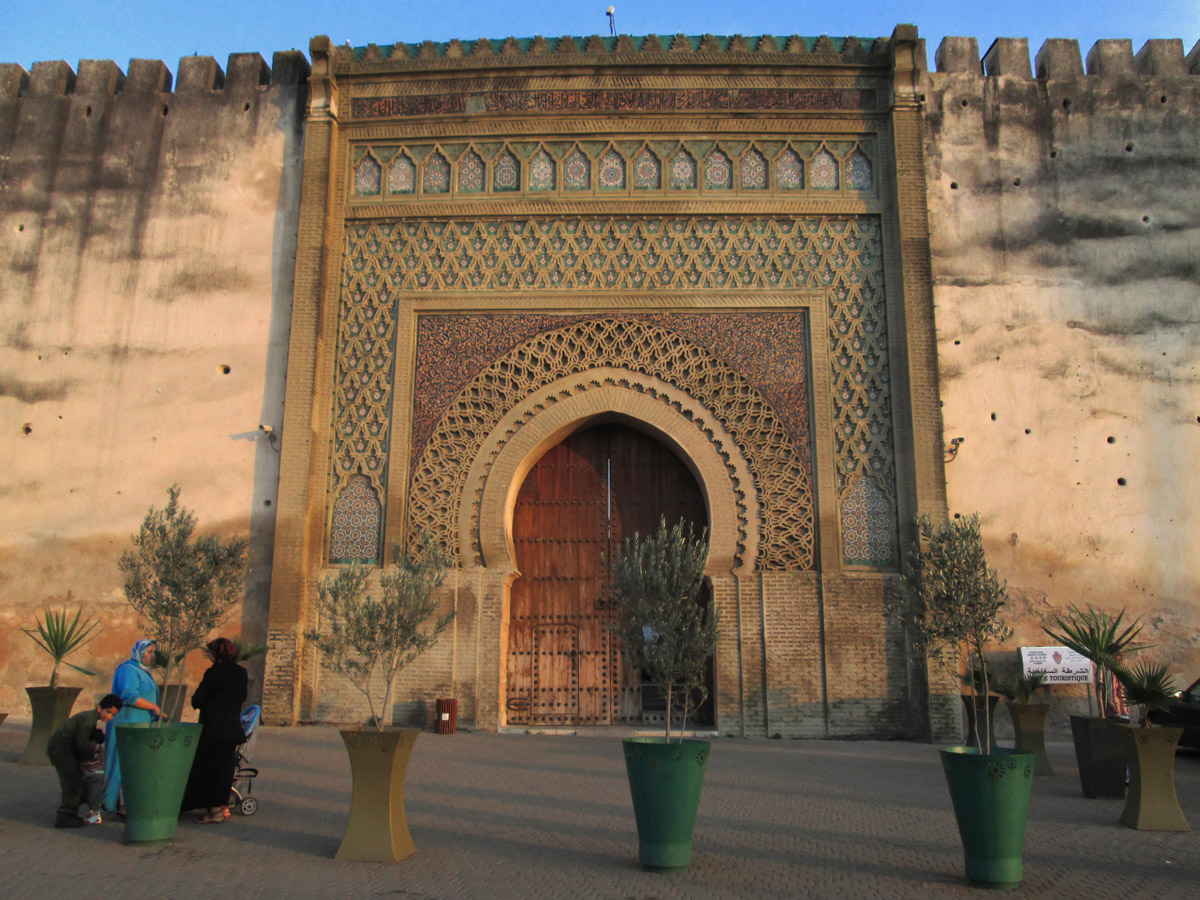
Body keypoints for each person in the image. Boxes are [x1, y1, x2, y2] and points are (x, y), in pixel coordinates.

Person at [183, 637, 247, 824]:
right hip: (231, 729)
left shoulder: (214, 673)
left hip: (212, 730)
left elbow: (198, 700)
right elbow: (242, 697)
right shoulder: (241, 673)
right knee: (225, 770)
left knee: (207, 769)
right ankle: (220, 807)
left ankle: (212, 809)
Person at [101, 639, 163, 815]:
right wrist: (154, 707)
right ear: (139, 652)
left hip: (141, 725)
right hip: (128, 724)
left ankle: (128, 803)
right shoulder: (128, 670)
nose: (152, 655)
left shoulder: (143, 672)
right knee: (120, 763)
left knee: (134, 765)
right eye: (149, 652)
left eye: (153, 652)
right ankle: (109, 804)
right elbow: (129, 696)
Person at [48, 694, 123, 828]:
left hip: (66, 750)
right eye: (109, 712)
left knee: (77, 780)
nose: (109, 717)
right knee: (73, 781)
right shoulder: (88, 719)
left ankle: (72, 808)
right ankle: (65, 816)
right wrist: (94, 757)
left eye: (113, 715)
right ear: (100, 708)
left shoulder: (91, 719)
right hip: (61, 750)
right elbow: (82, 745)